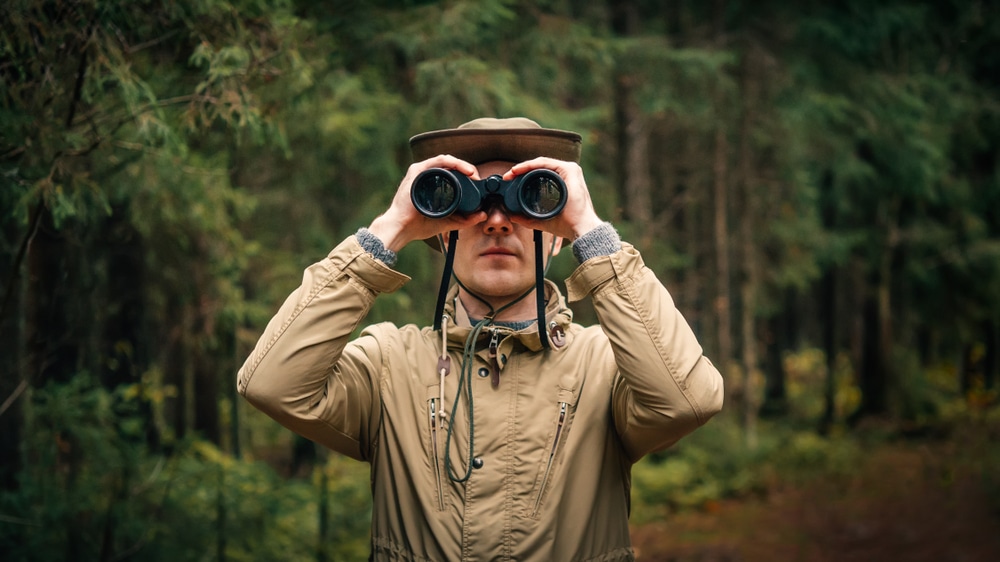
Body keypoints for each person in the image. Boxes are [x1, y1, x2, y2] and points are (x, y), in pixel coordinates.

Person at [237, 117, 724, 561]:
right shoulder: (389, 362)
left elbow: (688, 399)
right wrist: (389, 229)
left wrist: (592, 233)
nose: (496, 220)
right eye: (473, 205)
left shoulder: (605, 364)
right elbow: (271, 384)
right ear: (444, 233)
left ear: (556, 236)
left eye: (527, 201)